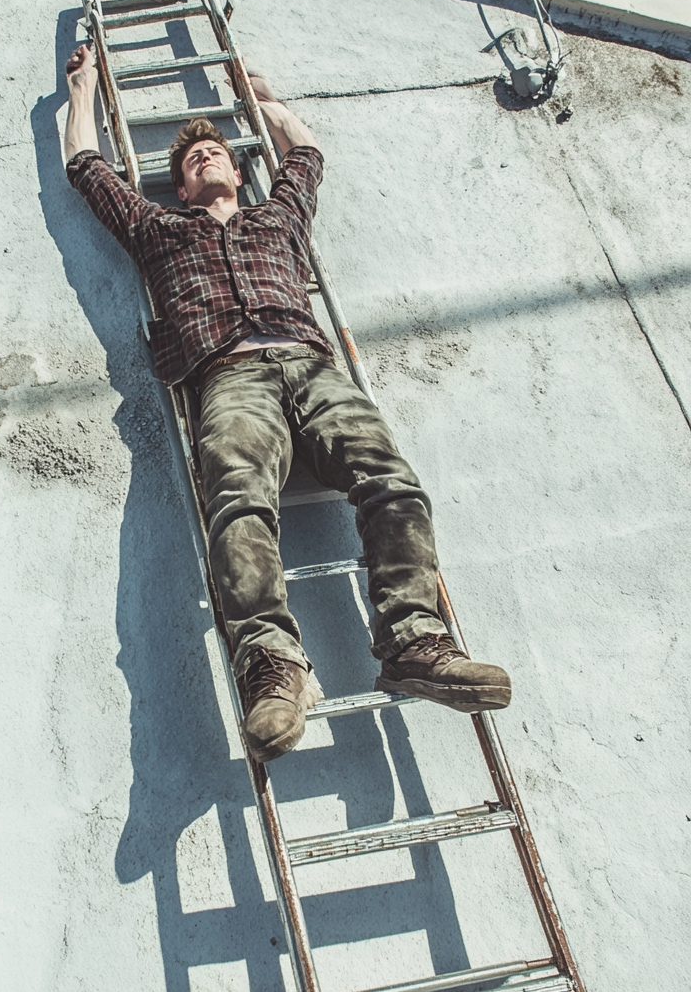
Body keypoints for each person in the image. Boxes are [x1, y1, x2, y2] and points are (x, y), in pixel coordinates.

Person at [64, 44, 511, 762]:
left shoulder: (279, 219)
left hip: (312, 366)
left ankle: (415, 641)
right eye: (190, 162)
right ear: (180, 189)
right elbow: (87, 168)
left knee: (392, 481)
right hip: (228, 376)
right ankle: (273, 669)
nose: (204, 159)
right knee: (236, 500)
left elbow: (305, 154)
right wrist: (82, 88)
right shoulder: (160, 231)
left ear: (237, 170)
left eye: (214, 152)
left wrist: (263, 98)